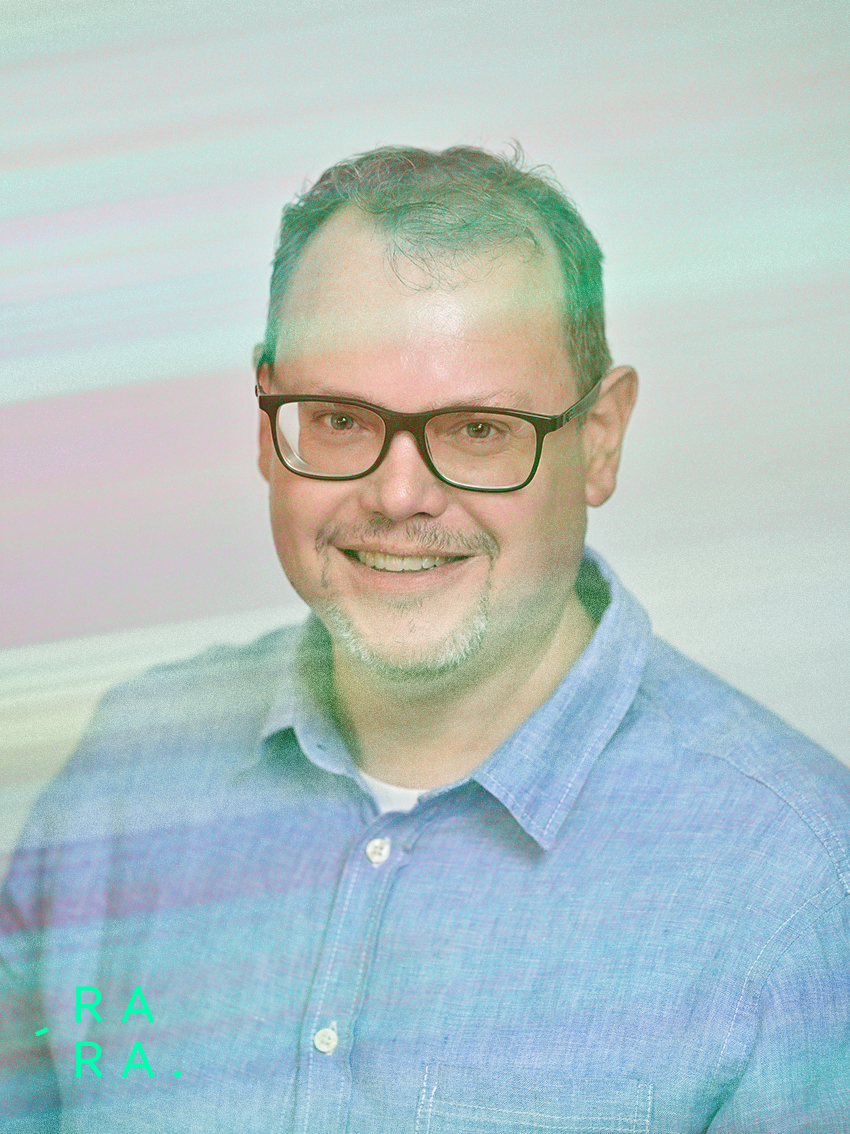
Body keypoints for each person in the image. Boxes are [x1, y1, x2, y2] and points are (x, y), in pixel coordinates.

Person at [2, 145, 849, 1133]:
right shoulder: (124, 775)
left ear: (600, 437)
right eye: (338, 418)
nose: (399, 494)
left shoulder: (794, 882)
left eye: (478, 429)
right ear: (267, 421)